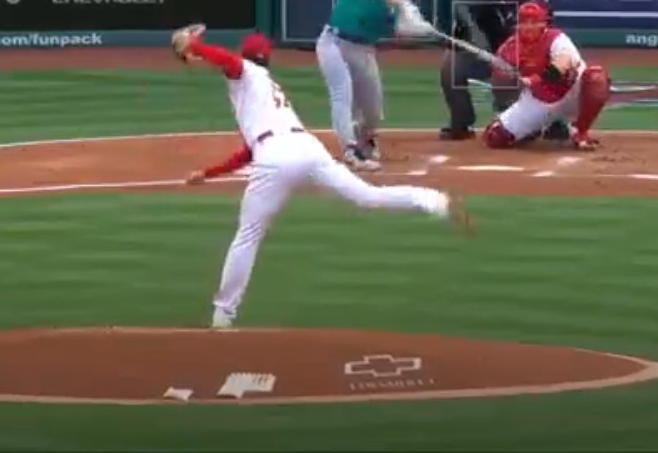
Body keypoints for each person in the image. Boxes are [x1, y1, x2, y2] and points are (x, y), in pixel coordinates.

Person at [172, 27, 470, 330]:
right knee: (368, 196)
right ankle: (435, 201)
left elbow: (226, 61)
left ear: (246, 54)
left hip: (275, 156)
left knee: (247, 237)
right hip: (308, 149)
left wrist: (195, 44)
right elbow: (248, 153)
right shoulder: (265, 85)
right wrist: (208, 173)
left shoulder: (245, 72)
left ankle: (223, 316)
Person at [316, 0, 437, 171]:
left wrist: (421, 28)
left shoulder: (399, 5)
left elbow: (401, 30)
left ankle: (365, 139)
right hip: (334, 42)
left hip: (363, 49)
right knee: (343, 94)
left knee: (373, 109)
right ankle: (350, 151)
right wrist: (405, 7)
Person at [481, 1, 612, 151]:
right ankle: (535, 129)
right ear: (517, 25)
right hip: (539, 101)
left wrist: (535, 79)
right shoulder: (510, 48)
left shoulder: (556, 39)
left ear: (544, 24)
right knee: (495, 137)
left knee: (596, 78)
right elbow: (499, 78)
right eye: (524, 22)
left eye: (534, 22)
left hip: (573, 94)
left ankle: (580, 131)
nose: (529, 27)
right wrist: (505, 75)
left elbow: (563, 63)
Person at [439, 0, 524, 141]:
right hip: (483, 57)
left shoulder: (523, 4)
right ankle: (461, 122)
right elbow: (463, 15)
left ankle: (518, 123)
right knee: (451, 66)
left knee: (516, 76)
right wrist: (474, 33)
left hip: (512, 60)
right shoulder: (482, 1)